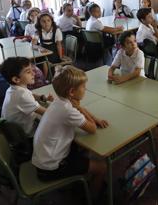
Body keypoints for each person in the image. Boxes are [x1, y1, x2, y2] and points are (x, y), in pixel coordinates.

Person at [32, 65, 108, 200]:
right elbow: (92, 129)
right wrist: (82, 110)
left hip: (43, 159)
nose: (86, 89)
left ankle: (81, 180)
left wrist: (94, 117)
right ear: (72, 92)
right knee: (102, 167)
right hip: (50, 168)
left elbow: (77, 109)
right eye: (83, 87)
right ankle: (92, 198)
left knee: (81, 148)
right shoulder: (67, 110)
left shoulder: (59, 101)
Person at [0, 57, 53, 137]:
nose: (33, 73)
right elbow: (47, 113)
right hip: (26, 135)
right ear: (16, 79)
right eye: (28, 72)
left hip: (13, 132)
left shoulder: (14, 88)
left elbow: (30, 94)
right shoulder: (22, 95)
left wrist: (42, 98)